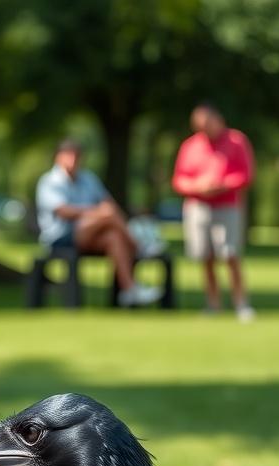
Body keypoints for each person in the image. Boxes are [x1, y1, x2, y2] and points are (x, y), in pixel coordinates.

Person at [36, 139, 162, 308]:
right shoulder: (49, 181)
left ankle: (129, 289)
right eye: (69, 155)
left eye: (76, 156)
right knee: (108, 214)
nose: (73, 160)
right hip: (61, 236)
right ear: (58, 157)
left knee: (113, 237)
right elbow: (64, 212)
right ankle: (139, 245)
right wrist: (96, 212)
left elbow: (107, 202)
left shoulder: (88, 179)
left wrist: (102, 212)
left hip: (89, 234)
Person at [172, 103, 255, 321]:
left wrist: (222, 184)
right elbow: (179, 179)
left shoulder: (236, 141)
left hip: (227, 205)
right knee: (205, 257)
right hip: (198, 207)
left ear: (218, 120)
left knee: (230, 255)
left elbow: (246, 174)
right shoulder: (190, 146)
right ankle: (213, 304)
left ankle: (241, 304)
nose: (204, 130)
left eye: (207, 124)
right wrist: (197, 186)